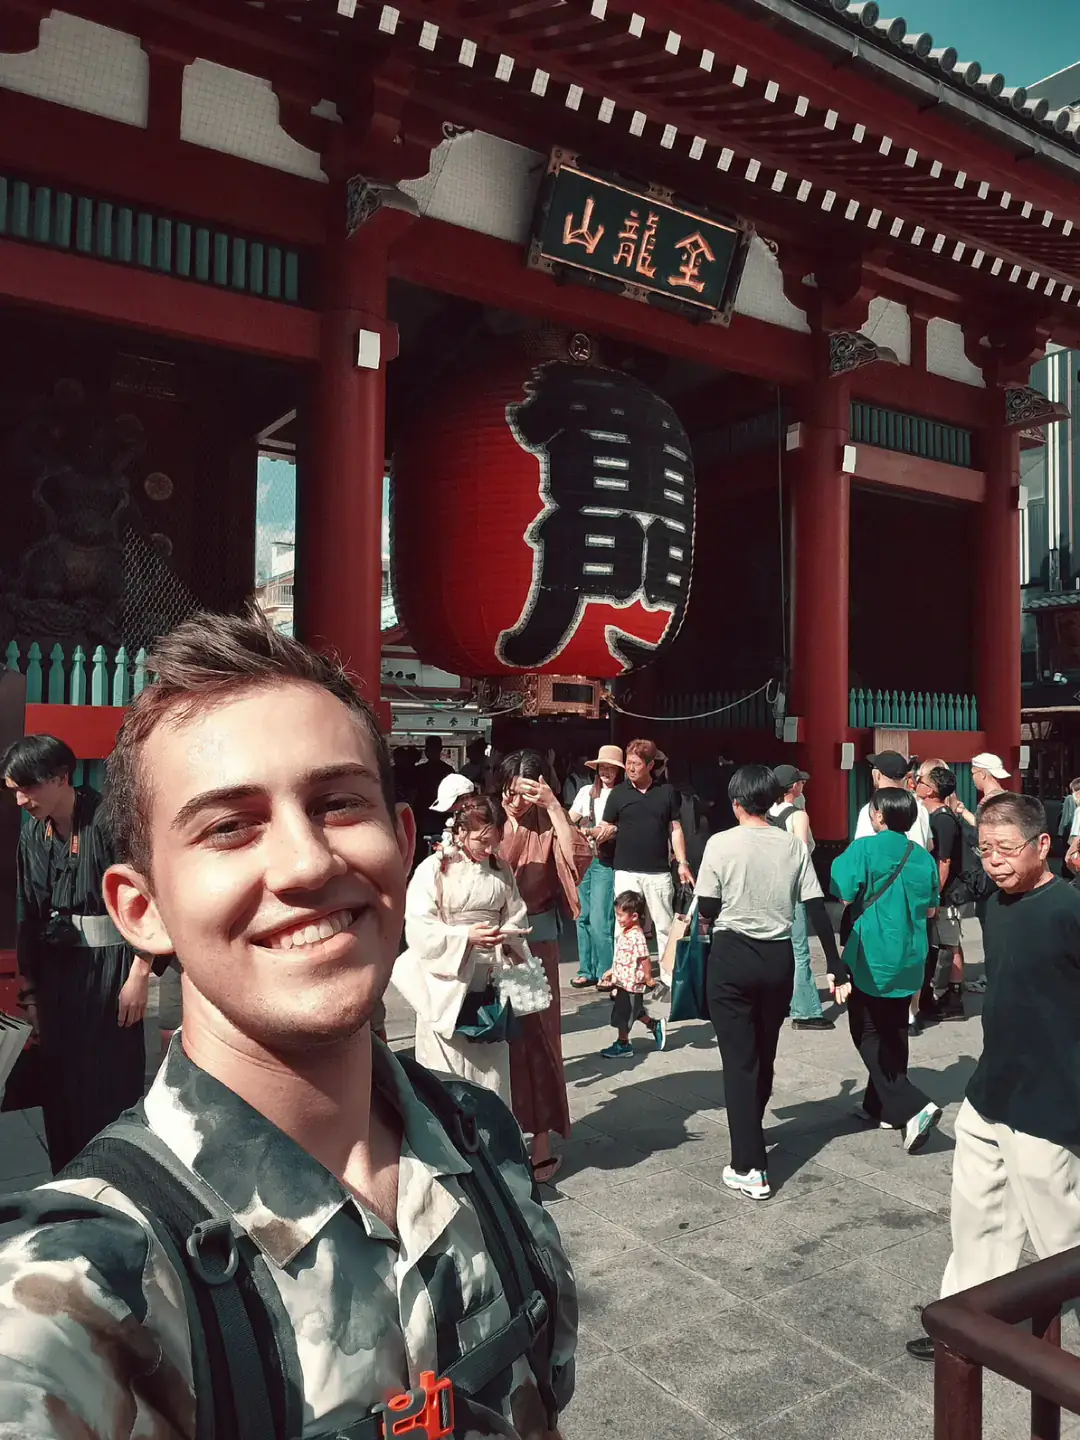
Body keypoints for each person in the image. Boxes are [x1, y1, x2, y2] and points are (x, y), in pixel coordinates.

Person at [0, 612, 577, 1437]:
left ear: (401, 840)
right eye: (229, 826)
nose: (307, 863)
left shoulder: (479, 1135)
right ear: (143, 907)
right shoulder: (85, 1290)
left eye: (338, 803)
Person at [908, 792, 1080, 1364]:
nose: (995, 861)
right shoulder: (995, 905)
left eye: (1007, 849)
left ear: (1044, 846)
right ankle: (964, 1322)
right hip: (990, 1088)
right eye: (985, 850)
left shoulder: (1069, 910)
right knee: (977, 1215)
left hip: (1049, 1096)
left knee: (1060, 1235)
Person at [2, 733, 152, 1172]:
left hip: (112, 971)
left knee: (107, 1082)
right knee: (60, 1084)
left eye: (27, 788)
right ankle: (67, 1176)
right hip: (58, 972)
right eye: (14, 792)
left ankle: (113, 1176)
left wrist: (140, 973)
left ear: (60, 777)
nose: (21, 802)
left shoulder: (110, 821)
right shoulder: (34, 832)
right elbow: (27, 910)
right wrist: (30, 989)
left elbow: (151, 896)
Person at [695, 764, 843, 1201]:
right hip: (778, 959)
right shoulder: (793, 846)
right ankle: (752, 1131)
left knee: (738, 1061)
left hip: (732, 956)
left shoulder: (721, 844)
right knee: (764, 1051)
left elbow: (706, 905)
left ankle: (749, 1165)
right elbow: (817, 906)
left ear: (737, 802)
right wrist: (834, 963)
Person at [831, 788, 944, 1153]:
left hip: (872, 952)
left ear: (878, 816)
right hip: (912, 952)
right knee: (894, 1027)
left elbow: (842, 891)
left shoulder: (864, 849)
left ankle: (913, 1105)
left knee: (865, 1030)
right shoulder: (923, 858)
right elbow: (930, 909)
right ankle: (879, 1105)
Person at [394, 796, 531, 1097]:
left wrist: (508, 935)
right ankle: (450, 1141)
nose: (489, 849)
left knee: (491, 1076)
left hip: (489, 978)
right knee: (447, 1074)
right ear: (460, 832)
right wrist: (465, 937)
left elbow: (515, 913)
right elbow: (419, 925)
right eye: (482, 841)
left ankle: (492, 1139)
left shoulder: (502, 870)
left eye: (495, 842)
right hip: (447, 980)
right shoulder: (433, 868)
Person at [500, 749, 587, 1184]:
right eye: (513, 792)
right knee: (492, 1042)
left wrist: (553, 807)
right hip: (490, 945)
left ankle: (540, 1141)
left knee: (538, 1041)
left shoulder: (548, 823)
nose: (519, 801)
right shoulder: (484, 821)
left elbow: (578, 859)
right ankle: (498, 1135)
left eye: (528, 792)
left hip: (536, 942)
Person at [594, 738, 693, 997]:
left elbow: (676, 829)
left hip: (658, 871)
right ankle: (622, 977)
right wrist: (597, 833)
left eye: (636, 763)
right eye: (628, 763)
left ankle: (669, 980)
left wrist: (682, 862)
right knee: (623, 926)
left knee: (663, 925)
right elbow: (606, 826)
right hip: (625, 870)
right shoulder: (617, 794)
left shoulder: (667, 793)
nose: (630, 768)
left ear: (650, 765)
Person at [769, 764, 833, 1032]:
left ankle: (778, 1001)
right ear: (792, 788)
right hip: (793, 890)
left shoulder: (764, 814)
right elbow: (801, 856)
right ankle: (805, 1010)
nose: (802, 785)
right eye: (800, 782)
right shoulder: (797, 816)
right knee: (799, 950)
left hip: (768, 889)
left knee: (774, 949)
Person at [914, 764, 968, 1024]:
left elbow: (944, 861)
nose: (917, 782)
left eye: (921, 780)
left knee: (949, 943)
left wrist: (934, 894)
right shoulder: (929, 815)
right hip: (939, 892)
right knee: (941, 943)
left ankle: (952, 998)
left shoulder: (943, 820)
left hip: (947, 894)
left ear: (931, 790)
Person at [567, 744, 623, 989]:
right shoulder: (586, 792)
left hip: (605, 861)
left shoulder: (622, 794)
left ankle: (606, 971)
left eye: (611, 768)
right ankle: (585, 969)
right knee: (582, 917)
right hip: (584, 861)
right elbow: (570, 820)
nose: (606, 772)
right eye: (603, 767)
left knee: (601, 919)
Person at [599, 890, 665, 1059]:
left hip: (632, 984)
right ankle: (654, 1025)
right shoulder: (626, 932)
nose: (618, 919)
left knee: (624, 1014)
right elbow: (623, 955)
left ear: (634, 916)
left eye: (621, 915)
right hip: (622, 982)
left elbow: (644, 958)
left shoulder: (637, 936)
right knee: (632, 1011)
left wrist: (648, 978)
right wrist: (612, 971)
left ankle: (623, 1044)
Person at [854, 751, 932, 848]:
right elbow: (929, 846)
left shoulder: (871, 810)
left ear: (877, 775)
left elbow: (860, 848)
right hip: (917, 861)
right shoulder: (920, 808)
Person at [411, 735, 455, 839]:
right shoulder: (419, 770)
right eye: (428, 749)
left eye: (433, 749)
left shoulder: (447, 770)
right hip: (423, 812)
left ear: (440, 750)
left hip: (440, 814)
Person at [429, 771, 476, 846]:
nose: (449, 809)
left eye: (452, 804)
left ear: (465, 798)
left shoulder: (478, 817)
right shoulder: (458, 813)